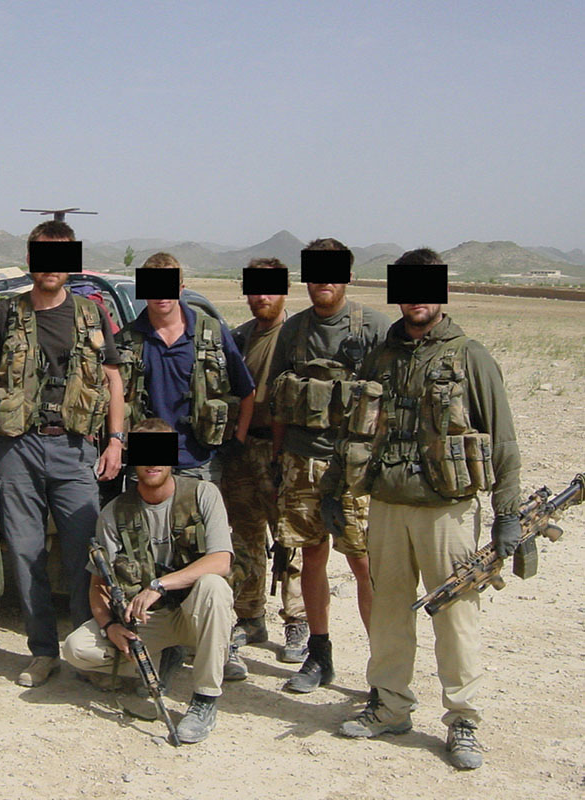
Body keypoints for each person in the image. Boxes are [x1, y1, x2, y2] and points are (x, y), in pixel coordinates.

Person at [325, 248, 521, 770]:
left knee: (455, 615)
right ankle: (389, 705)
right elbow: (352, 430)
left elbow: (503, 441)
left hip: (446, 511)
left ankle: (463, 719)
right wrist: (332, 490)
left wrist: (507, 514)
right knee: (389, 613)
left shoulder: (468, 356)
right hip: (387, 505)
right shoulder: (382, 356)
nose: (415, 297)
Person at [0, 220, 125, 687]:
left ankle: (85, 652)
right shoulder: (5, 315)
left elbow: (114, 380)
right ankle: (42, 653)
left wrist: (116, 440)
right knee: (27, 555)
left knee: (83, 557)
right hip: (18, 448)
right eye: (42, 257)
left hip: (76, 449)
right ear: (31, 261)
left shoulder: (91, 315)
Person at [115, 251, 254, 682]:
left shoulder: (210, 331)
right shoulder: (129, 338)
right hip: (148, 464)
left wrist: (237, 438)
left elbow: (244, 389)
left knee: (206, 553)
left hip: (198, 462)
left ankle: (217, 641)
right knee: (149, 552)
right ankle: (166, 638)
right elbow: (115, 396)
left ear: (179, 286)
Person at [62, 418, 238, 744]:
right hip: (149, 623)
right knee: (77, 649)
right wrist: (110, 627)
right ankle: (162, 658)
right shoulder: (115, 512)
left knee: (213, 586)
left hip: (195, 615)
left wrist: (159, 585)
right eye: (145, 454)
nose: (153, 462)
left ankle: (204, 699)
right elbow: (99, 582)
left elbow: (221, 561)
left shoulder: (203, 493)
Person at [267, 237, 389, 693]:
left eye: (332, 273)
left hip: (354, 468)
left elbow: (390, 404)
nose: (324, 282)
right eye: (315, 273)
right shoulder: (293, 331)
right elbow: (279, 403)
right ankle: (319, 655)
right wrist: (280, 459)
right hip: (301, 461)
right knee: (311, 555)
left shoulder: (374, 328)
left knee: (363, 563)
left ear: (349, 277)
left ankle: (383, 669)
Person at [219, 257, 307, 680]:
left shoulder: (296, 338)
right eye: (254, 289)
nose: (261, 297)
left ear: (285, 290)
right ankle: (249, 614)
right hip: (242, 450)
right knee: (245, 538)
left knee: (290, 539)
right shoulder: (238, 338)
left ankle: (298, 621)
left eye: (269, 289)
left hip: (283, 452)